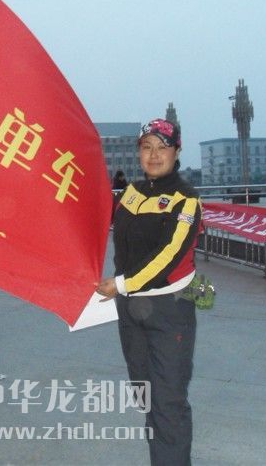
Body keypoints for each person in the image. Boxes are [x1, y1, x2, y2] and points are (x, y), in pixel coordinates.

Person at [95, 119, 202, 466]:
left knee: (168, 400)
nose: (154, 155)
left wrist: (121, 284)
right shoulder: (131, 192)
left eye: (162, 148)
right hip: (131, 311)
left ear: (177, 151)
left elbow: (169, 256)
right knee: (146, 395)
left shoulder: (186, 199)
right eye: (147, 147)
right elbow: (100, 221)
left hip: (169, 309)